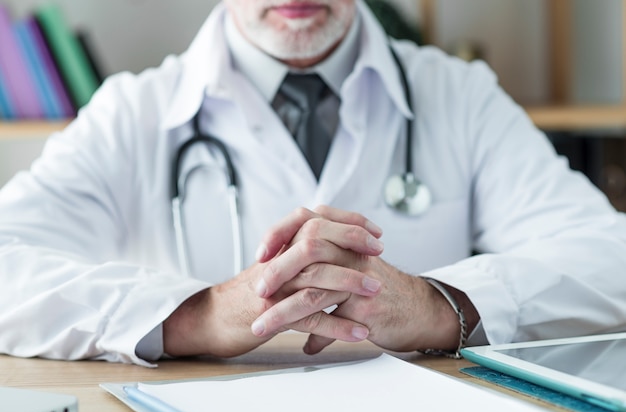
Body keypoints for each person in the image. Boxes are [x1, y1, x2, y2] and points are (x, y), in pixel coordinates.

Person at [1, 0, 625, 367]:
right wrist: (196, 317)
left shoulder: (457, 94)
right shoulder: (131, 113)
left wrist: (441, 307)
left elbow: (610, 258)